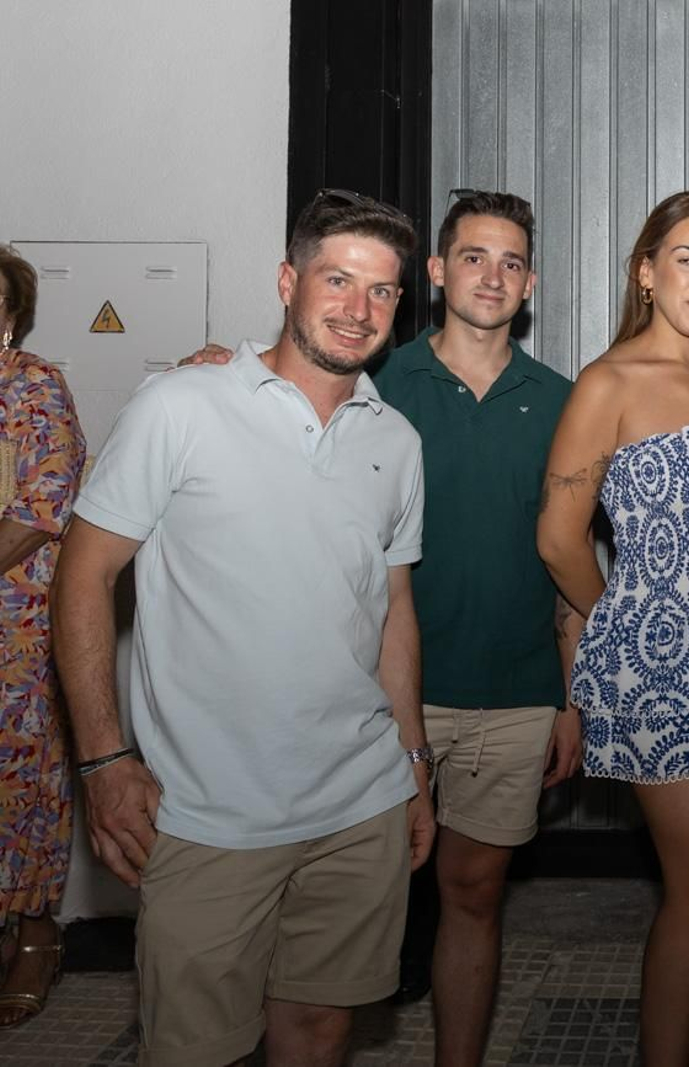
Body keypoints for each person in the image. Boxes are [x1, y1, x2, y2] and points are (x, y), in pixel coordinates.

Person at [185, 189, 583, 1067]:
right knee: (334, 914)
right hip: (367, 703)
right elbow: (266, 393)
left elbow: (570, 560)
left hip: (513, 695)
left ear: (531, 284)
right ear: (437, 274)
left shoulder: (562, 399)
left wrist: (570, 695)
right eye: (473, 257)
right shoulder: (370, 381)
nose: (493, 275)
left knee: (474, 895)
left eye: (512, 262)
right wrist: (213, 366)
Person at [52, 190, 435, 1066]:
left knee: (321, 1029)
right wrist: (105, 760)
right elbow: (82, 573)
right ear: (288, 282)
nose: (358, 308)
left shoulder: (398, 442)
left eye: (381, 291)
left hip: (359, 804)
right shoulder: (180, 406)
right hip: (207, 814)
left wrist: (413, 763)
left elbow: (392, 612)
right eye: (338, 280)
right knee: (194, 1048)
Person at [536, 189, 689, 1066]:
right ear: (646, 271)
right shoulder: (609, 381)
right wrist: (622, 622)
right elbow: (559, 537)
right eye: (687, 259)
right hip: (659, 666)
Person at [0, 245, 86, 1027]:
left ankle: (35, 936)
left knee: (24, 785)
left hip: (15, 633)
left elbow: (39, 508)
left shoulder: (33, 388)